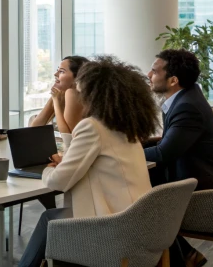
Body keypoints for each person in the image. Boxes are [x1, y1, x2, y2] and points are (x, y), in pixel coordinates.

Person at [19, 56, 159, 267]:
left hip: (113, 227)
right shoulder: (124, 127)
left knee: (51, 220)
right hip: (138, 222)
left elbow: (58, 182)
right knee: (58, 220)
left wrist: (48, 170)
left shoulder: (93, 126)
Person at [145, 49, 213, 267]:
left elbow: (163, 153)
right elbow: (169, 141)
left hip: (207, 188)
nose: (149, 74)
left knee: (138, 201)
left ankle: (180, 257)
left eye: (155, 71)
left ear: (173, 80)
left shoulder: (187, 106)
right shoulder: (185, 97)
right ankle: (183, 256)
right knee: (138, 194)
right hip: (194, 174)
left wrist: (121, 153)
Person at [29, 56, 89, 147]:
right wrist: (53, 98)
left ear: (77, 77)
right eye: (58, 70)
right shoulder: (62, 94)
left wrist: (56, 102)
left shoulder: (72, 93)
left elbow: (69, 139)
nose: (55, 74)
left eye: (61, 71)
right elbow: (34, 129)